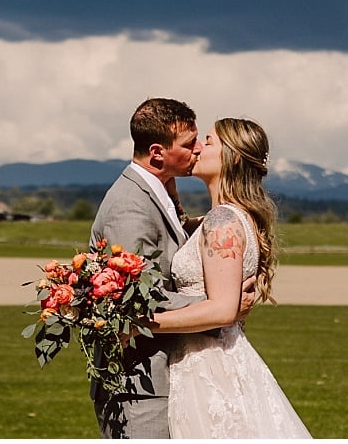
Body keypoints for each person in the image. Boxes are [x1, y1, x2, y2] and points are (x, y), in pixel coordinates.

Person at [88, 98, 254, 439]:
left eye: (201, 141)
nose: (197, 149)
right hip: (139, 382)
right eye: (188, 143)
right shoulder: (130, 208)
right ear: (157, 153)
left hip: (170, 373)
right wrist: (222, 305)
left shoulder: (161, 194)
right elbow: (138, 302)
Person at [148, 117, 312, 438]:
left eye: (208, 142)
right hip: (217, 357)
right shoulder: (227, 216)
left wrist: (144, 322)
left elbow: (222, 311)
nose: (197, 148)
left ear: (232, 157)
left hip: (206, 366)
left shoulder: (223, 220)